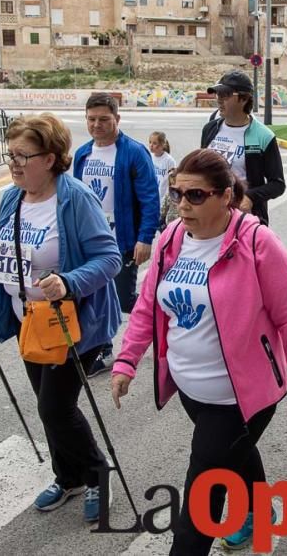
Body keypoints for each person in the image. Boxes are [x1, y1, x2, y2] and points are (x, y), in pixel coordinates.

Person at [111, 149, 287, 554]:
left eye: (195, 196)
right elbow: (148, 305)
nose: (182, 205)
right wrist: (127, 360)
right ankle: (259, 510)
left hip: (240, 396)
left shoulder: (257, 242)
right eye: (177, 194)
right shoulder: (171, 239)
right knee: (236, 452)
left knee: (200, 501)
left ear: (225, 196)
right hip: (192, 389)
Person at [0, 113, 122, 522]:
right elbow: (0, 254)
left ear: (52, 157)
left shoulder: (74, 198)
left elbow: (110, 258)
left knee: (55, 409)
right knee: (48, 407)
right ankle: (69, 476)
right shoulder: (13, 197)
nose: (15, 164)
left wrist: (70, 281)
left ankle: (99, 476)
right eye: (11, 155)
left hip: (70, 323)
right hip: (29, 321)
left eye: (24, 155)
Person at [74, 93, 161, 376]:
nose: (96, 125)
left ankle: (160, 318)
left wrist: (145, 238)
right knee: (93, 297)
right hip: (89, 241)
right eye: (91, 119)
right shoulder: (83, 154)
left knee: (123, 298)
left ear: (117, 119)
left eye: (103, 119)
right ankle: (103, 349)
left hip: (122, 240)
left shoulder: (133, 152)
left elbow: (150, 199)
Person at [201, 70, 286, 225]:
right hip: (210, 214)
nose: (219, 100)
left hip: (244, 219)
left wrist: (251, 197)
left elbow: (278, 184)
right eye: (217, 94)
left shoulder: (263, 136)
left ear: (244, 98)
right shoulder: (210, 129)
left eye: (225, 94)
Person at [149, 131, 177, 220]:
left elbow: (172, 181)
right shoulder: (149, 157)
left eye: (154, 143)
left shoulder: (169, 160)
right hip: (151, 197)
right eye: (150, 142)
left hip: (162, 199)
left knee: (161, 225)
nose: (151, 145)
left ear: (162, 145)